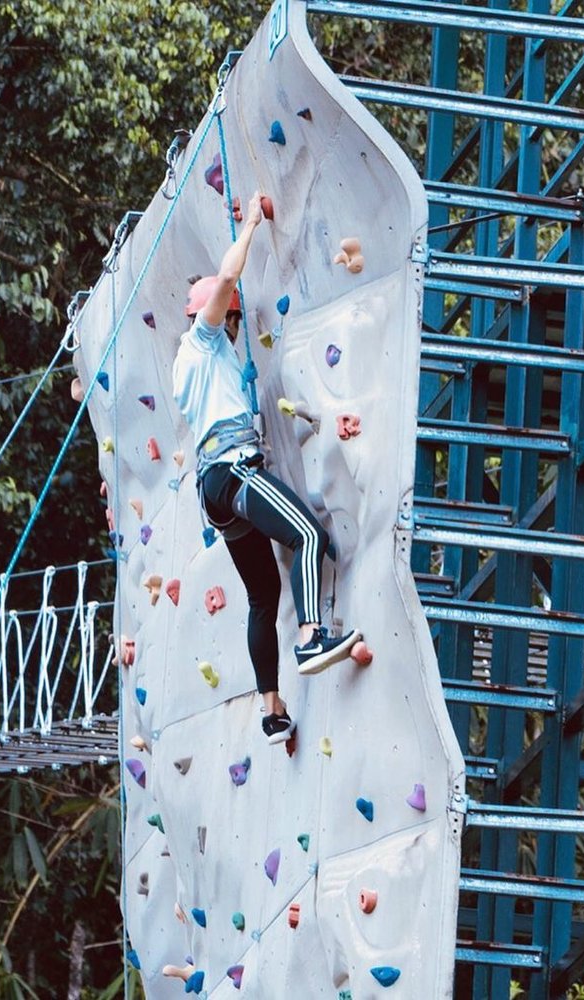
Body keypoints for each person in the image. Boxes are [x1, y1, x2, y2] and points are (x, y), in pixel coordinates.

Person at [172, 190, 361, 744]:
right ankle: (310, 638)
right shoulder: (204, 343)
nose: (233, 327)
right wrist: (251, 224)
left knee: (261, 597)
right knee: (306, 534)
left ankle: (272, 710)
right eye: (231, 320)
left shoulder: (195, 364)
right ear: (223, 317)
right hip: (233, 470)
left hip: (213, 487)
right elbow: (228, 280)